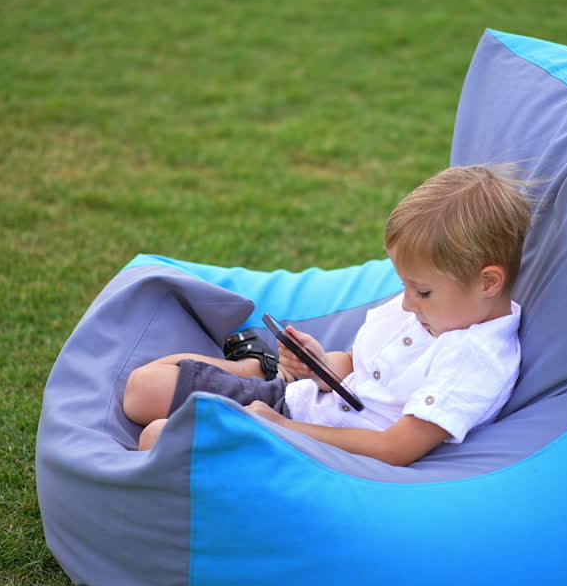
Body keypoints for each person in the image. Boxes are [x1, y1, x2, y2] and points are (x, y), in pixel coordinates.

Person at [121, 164, 533, 466]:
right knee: (142, 389)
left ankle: (258, 375)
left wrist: (281, 429)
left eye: (421, 291)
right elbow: (355, 368)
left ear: (488, 282)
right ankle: (261, 369)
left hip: (318, 450)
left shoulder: (475, 358)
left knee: (159, 439)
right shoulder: (438, 309)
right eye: (406, 286)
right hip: (293, 405)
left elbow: (396, 447)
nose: (407, 303)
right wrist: (319, 368)